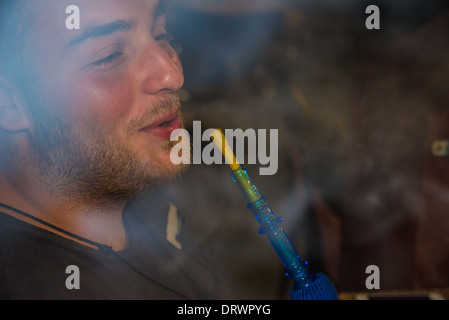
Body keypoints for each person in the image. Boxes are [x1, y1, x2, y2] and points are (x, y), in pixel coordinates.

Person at [0, 0, 229, 299]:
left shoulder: (141, 191)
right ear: (9, 102)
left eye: (161, 35)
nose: (172, 75)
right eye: (109, 56)